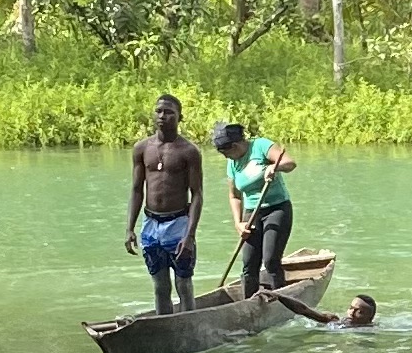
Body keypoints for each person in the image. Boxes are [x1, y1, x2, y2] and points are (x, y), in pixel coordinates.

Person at [126, 99, 204, 314]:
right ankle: (166, 327)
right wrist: (130, 228)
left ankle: (189, 327)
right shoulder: (142, 148)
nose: (162, 116)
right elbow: (136, 190)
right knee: (160, 287)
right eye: (158, 111)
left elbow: (197, 194)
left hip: (178, 224)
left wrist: (189, 235)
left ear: (180, 117)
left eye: (168, 112)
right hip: (151, 224)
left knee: (184, 285)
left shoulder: (189, 151)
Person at [207, 122, 294, 295]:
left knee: (270, 261)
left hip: (277, 208)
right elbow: (234, 196)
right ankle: (249, 303)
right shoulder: (233, 163)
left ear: (236, 145)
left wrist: (274, 167)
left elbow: (290, 163)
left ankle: (282, 300)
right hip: (252, 213)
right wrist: (238, 223)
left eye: (226, 152)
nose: (226, 157)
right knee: (248, 264)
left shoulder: (260, 146)